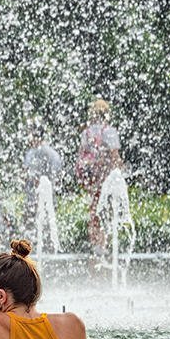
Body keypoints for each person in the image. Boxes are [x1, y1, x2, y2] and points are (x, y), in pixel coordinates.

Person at [76, 99, 123, 254]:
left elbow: (81, 156)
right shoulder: (109, 132)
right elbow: (115, 157)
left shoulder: (86, 132)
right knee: (106, 211)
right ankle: (103, 246)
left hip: (90, 177)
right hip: (105, 178)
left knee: (94, 209)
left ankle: (95, 244)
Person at [22, 119, 63, 246]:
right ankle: (46, 244)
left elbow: (28, 173)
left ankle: (36, 244)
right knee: (45, 219)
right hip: (42, 193)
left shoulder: (37, 152)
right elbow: (58, 172)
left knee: (34, 218)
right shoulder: (48, 152)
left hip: (38, 193)